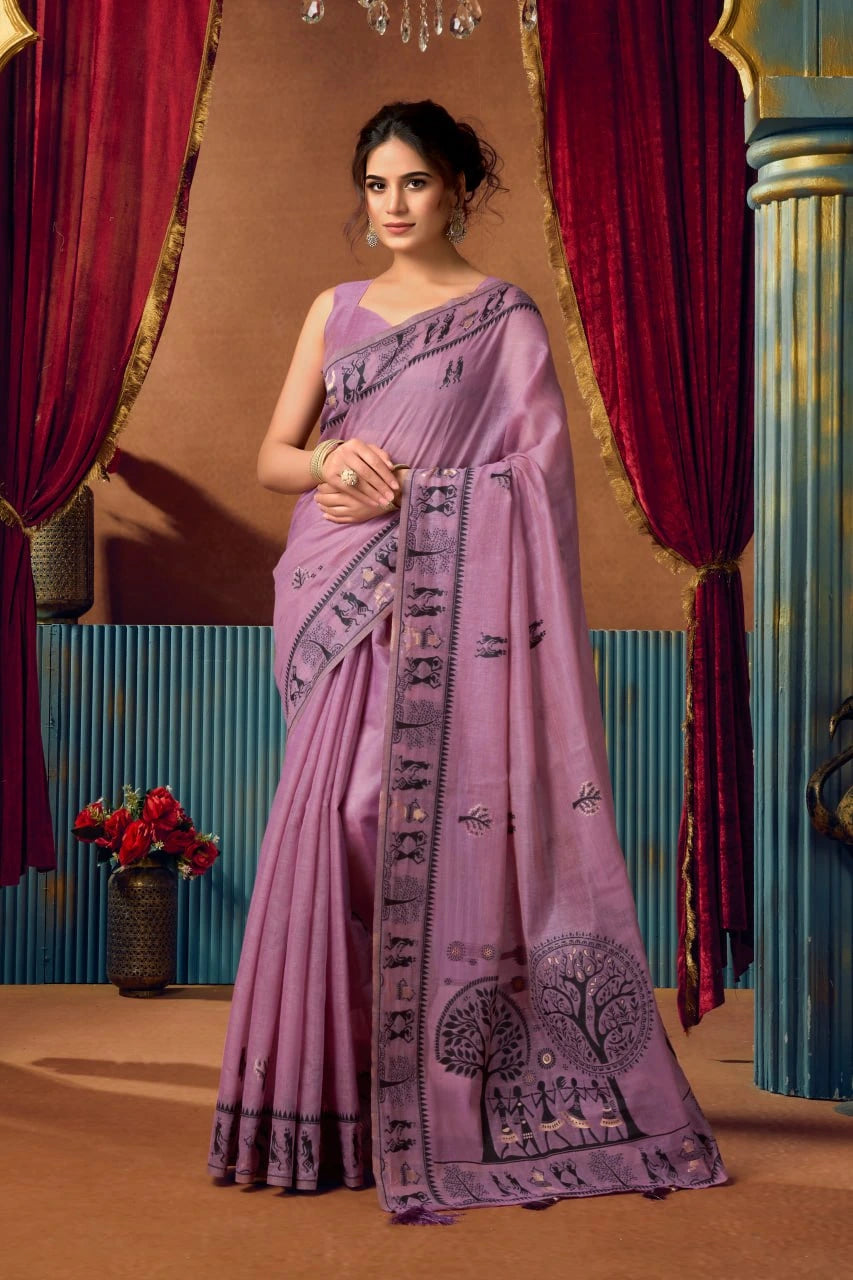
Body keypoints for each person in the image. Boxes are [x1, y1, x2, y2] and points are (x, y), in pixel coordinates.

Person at [206, 99, 727, 1217]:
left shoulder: (503, 321)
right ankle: (318, 1101)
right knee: (328, 825)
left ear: (456, 188)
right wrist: (333, 460)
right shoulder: (336, 310)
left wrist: (438, 510)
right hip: (332, 594)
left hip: (448, 604)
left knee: (383, 819)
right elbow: (271, 456)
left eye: (416, 184)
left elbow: (534, 483)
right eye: (378, 186)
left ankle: (407, 1088)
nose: (393, 206)